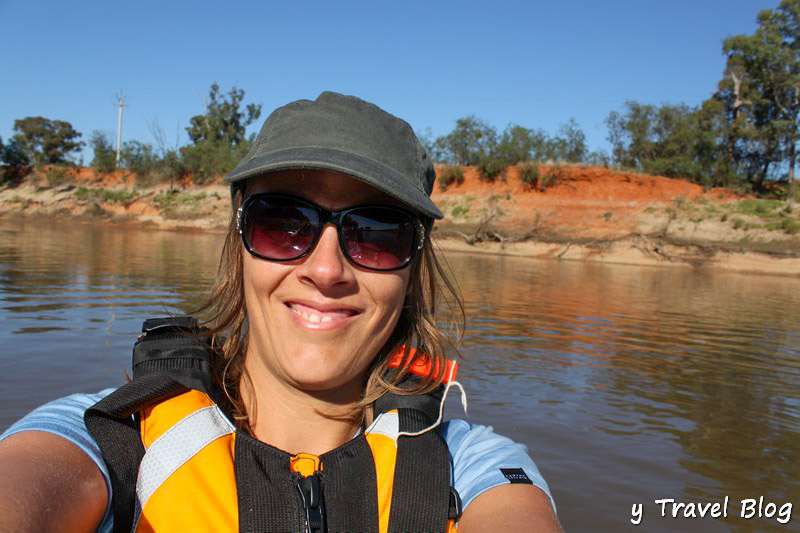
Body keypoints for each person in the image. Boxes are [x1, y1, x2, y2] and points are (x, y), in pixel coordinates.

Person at [0, 92, 563, 532]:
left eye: (376, 234)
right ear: (240, 242)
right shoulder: (111, 434)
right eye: (282, 222)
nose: (325, 270)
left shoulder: (470, 463)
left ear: (412, 269)